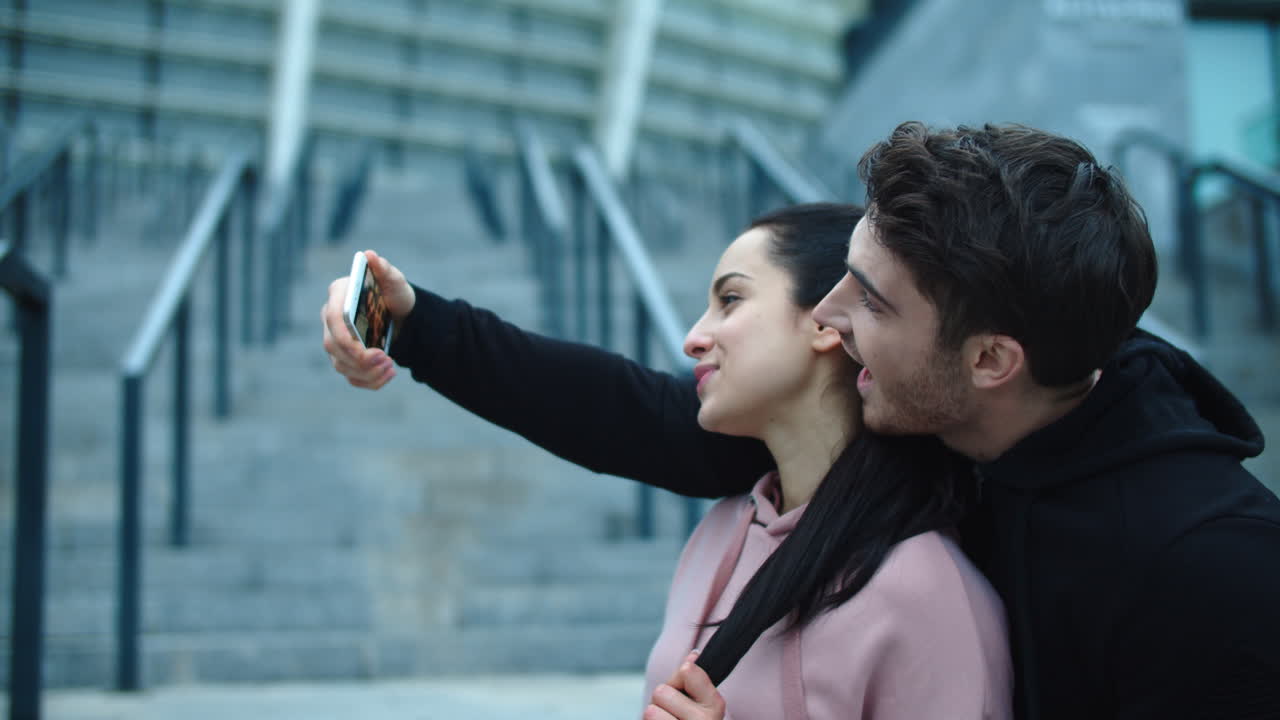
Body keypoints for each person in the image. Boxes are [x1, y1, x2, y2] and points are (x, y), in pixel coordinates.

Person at [324, 121, 1280, 719]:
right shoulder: (885, 446)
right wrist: (418, 325)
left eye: (867, 302)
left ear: (991, 361)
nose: (828, 320)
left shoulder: (1208, 571)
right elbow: (631, 413)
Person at [321, 204, 1013, 719]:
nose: (691, 338)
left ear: (830, 320)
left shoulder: (925, 591)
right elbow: (609, 406)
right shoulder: (722, 533)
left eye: (731, 300)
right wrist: (406, 322)